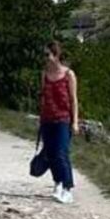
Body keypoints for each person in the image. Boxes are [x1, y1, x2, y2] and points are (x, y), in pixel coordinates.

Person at [39, 41, 79, 204]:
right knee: (51, 153)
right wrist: (40, 118)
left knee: (62, 153)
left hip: (63, 118)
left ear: (56, 55)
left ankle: (67, 187)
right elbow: (43, 97)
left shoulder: (69, 74)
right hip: (47, 119)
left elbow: (74, 100)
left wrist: (75, 122)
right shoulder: (44, 74)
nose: (45, 58)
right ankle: (57, 183)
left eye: (47, 54)